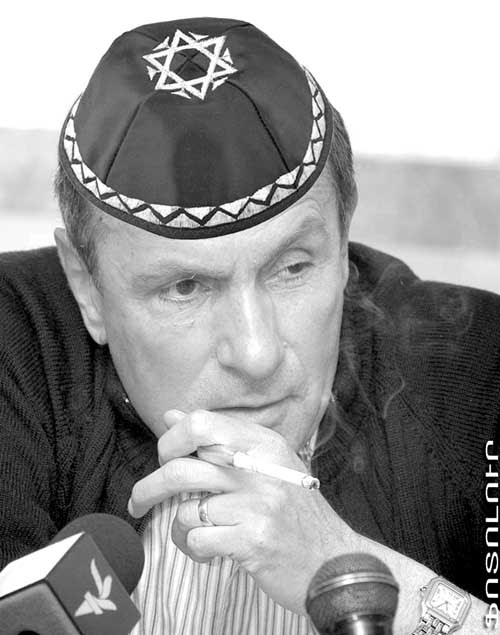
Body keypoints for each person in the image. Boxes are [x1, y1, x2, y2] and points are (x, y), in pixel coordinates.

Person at [0, 17, 498, 635]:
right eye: (186, 287)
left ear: (343, 240)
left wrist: (341, 568)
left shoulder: (477, 369)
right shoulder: (13, 342)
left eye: (292, 267)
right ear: (87, 286)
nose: (258, 355)